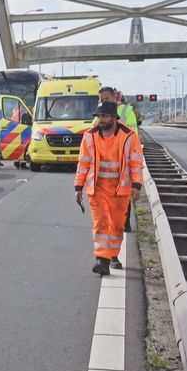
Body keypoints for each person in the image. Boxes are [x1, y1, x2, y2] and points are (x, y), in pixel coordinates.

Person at [75, 102, 144, 276]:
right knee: (101, 224)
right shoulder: (90, 136)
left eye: (104, 116)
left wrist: (136, 185)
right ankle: (101, 259)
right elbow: (83, 163)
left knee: (117, 225)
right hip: (97, 188)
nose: (101, 120)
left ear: (114, 117)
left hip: (120, 190)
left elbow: (135, 163)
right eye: (99, 116)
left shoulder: (129, 136)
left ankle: (113, 255)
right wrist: (78, 186)